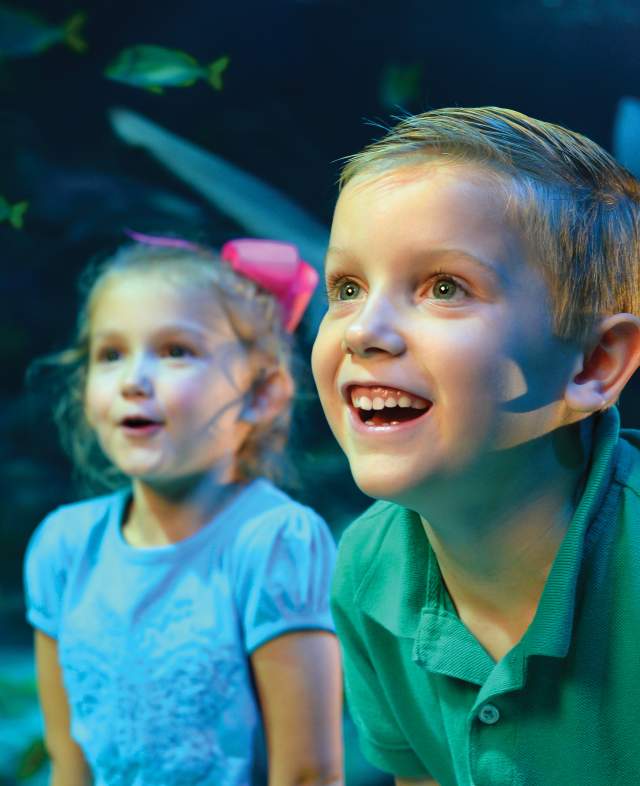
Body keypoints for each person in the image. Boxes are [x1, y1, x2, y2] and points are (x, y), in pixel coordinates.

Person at [311, 107, 640, 786]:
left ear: (593, 366)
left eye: (444, 287)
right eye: (347, 288)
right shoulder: (367, 566)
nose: (362, 330)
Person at [24, 234, 343, 786]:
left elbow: (307, 775)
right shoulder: (63, 547)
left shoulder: (275, 542)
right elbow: (68, 763)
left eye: (176, 351)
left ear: (261, 394)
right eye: (111, 354)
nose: (133, 381)